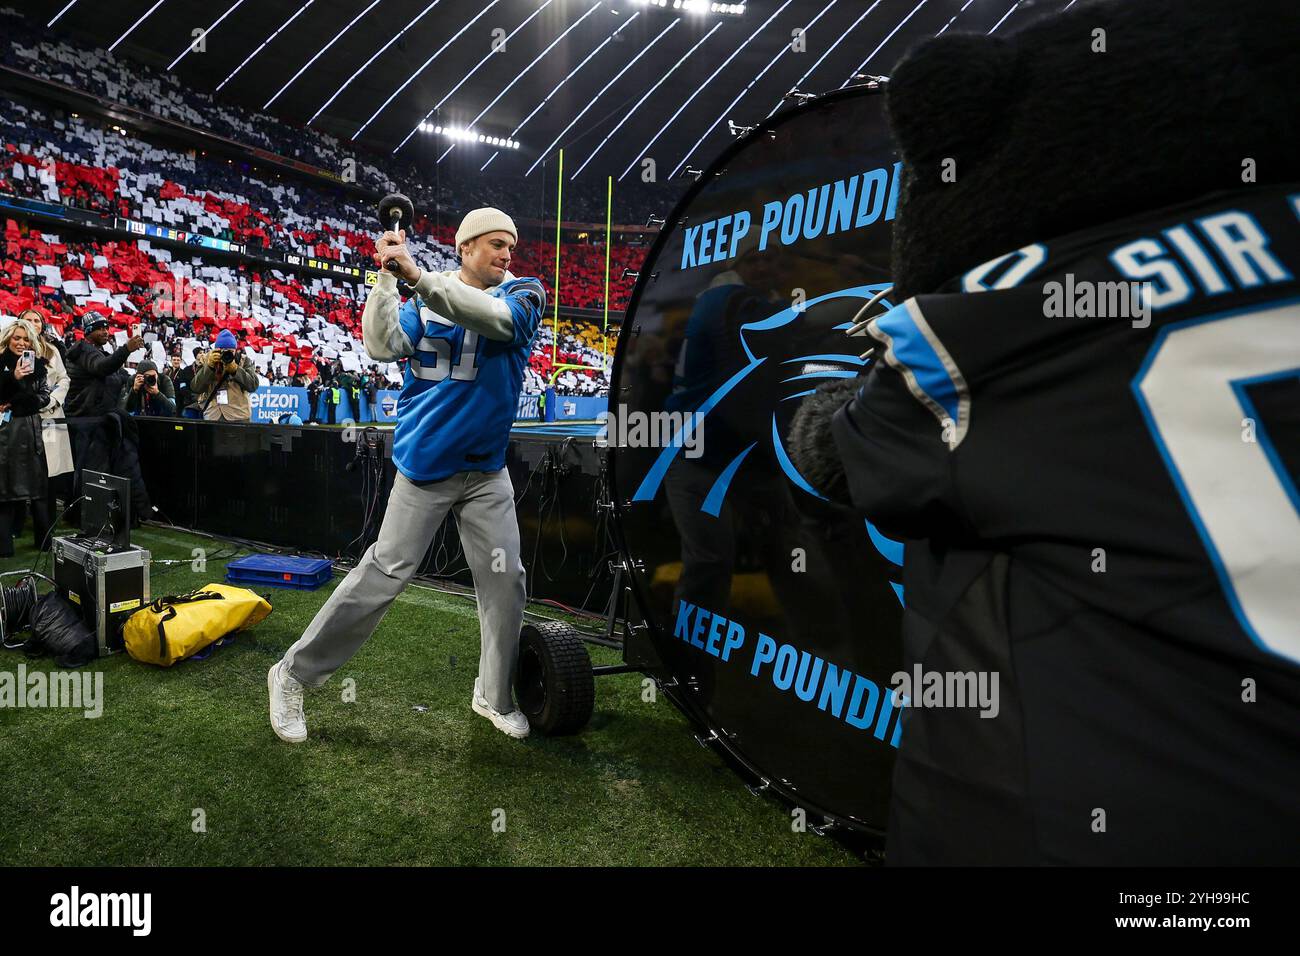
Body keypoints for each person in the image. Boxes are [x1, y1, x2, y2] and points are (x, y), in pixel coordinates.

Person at [269, 207, 546, 742]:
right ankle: (292, 674)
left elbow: (500, 323)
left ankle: (493, 693)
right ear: (465, 248)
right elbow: (382, 344)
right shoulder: (423, 291)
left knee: (505, 580)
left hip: (486, 472)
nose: (506, 253)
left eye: (509, 244)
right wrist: (386, 279)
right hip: (425, 467)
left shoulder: (524, 292)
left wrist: (417, 279)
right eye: (494, 243)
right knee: (383, 575)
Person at [21, 310, 73, 549]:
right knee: (21, 472)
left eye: (37, 320)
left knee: (49, 476)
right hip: (23, 418)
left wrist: (51, 401)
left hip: (50, 417)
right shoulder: (10, 348)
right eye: (28, 319)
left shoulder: (52, 351)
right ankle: (16, 526)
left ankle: (46, 532)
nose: (33, 324)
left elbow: (64, 379)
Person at [0, 319, 51, 557]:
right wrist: (14, 377)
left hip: (32, 431)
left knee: (39, 488)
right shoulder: (1, 364)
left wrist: (21, 401)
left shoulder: (39, 366)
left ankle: (44, 542)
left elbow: (45, 397)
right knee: (5, 488)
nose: (21, 343)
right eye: (16, 338)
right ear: (8, 339)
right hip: (5, 433)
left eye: (25, 338)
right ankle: (4, 546)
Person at [192, 329, 258, 422]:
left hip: (238, 415)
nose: (227, 354)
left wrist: (236, 370)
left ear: (235, 350)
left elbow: (253, 386)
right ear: (216, 350)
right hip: (213, 414)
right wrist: (209, 367)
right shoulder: (207, 360)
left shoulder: (243, 360)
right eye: (223, 351)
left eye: (231, 351)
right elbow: (196, 387)